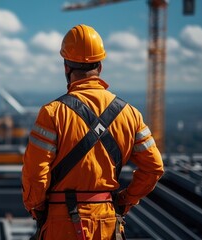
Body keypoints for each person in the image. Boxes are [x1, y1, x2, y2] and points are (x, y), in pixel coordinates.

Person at [22, 24, 164, 240]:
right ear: (100, 66)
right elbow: (154, 168)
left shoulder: (52, 113)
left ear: (66, 67)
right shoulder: (130, 114)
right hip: (108, 225)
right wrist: (125, 200)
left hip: (62, 225)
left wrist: (38, 208)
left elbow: (35, 174)